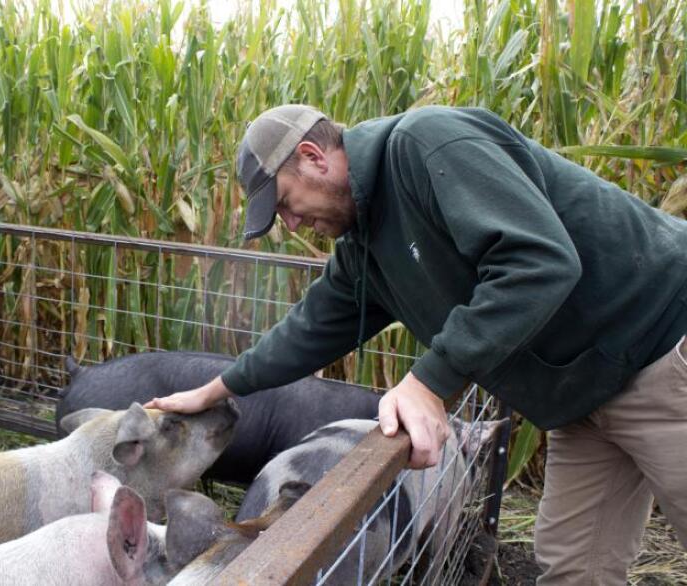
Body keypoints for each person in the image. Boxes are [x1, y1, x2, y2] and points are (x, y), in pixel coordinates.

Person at [144, 104, 687, 584]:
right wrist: (215, 389)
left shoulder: (428, 146)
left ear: (313, 156)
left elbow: (539, 264)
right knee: (573, 567)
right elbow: (310, 328)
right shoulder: (364, 246)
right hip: (581, 397)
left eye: (284, 203)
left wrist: (429, 382)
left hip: (663, 350)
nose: (290, 223)